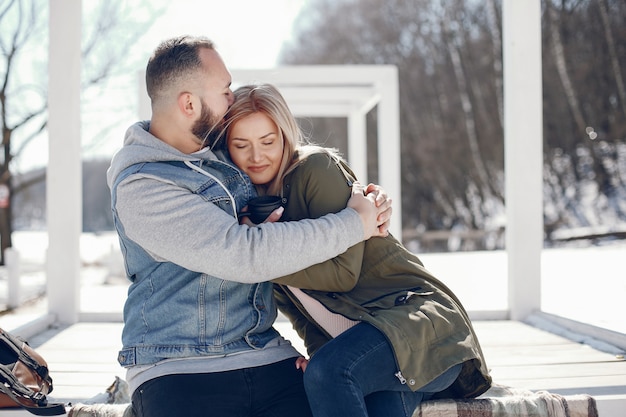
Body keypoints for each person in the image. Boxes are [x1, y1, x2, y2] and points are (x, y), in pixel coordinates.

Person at [106, 36, 393, 417]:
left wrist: (363, 194)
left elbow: (280, 152)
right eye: (224, 90)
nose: (231, 99)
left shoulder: (224, 154)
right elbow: (243, 253)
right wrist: (355, 222)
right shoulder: (142, 186)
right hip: (178, 367)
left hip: (264, 354)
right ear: (189, 103)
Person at [219, 83, 492, 417]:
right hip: (375, 354)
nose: (256, 156)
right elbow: (304, 312)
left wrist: (259, 256)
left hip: (419, 328)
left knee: (329, 372)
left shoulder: (313, 170)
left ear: (285, 135)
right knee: (365, 398)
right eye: (241, 144)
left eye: (267, 141)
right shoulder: (253, 213)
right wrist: (320, 351)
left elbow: (343, 274)